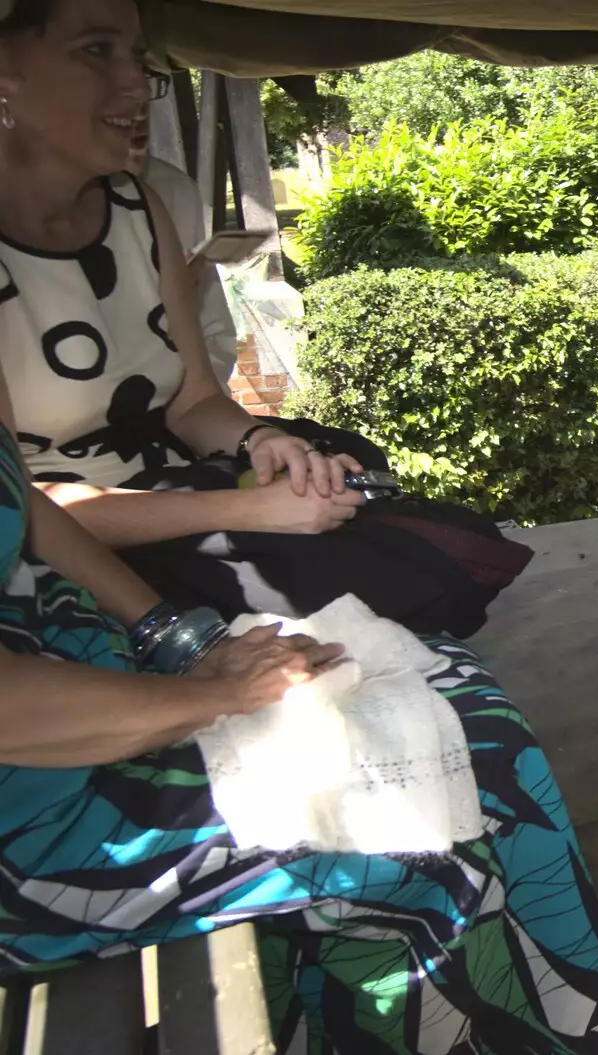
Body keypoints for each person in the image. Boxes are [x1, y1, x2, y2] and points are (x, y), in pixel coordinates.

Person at [0, 412, 598, 1046]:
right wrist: (221, 694)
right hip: (44, 805)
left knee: (467, 709)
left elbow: (25, 500)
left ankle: (554, 1013)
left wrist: (179, 638)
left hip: (103, 660)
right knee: (428, 827)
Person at [0, 0, 522, 637]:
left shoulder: (139, 209)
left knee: (439, 550)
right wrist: (250, 510)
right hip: (62, 554)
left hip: (179, 494)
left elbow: (193, 402)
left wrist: (262, 442)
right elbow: (18, 507)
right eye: (95, 50)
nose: (136, 85)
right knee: (390, 589)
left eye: (137, 58)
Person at [129, 102, 239, 384]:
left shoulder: (170, 191)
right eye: (96, 57)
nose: (136, 92)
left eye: (145, 70)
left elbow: (214, 339)